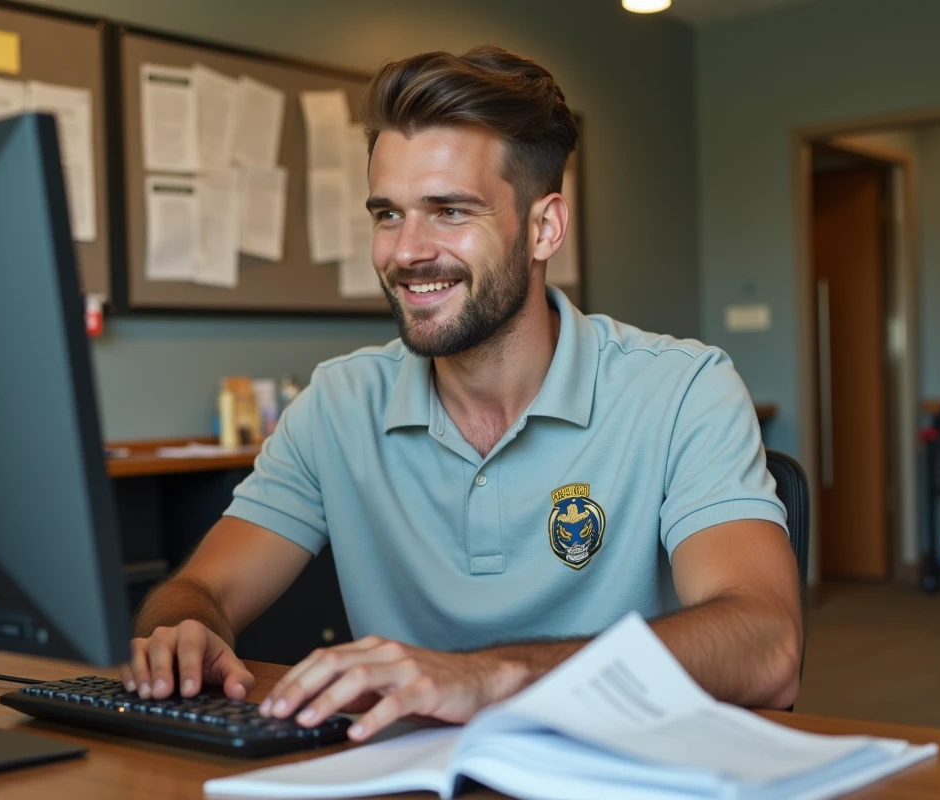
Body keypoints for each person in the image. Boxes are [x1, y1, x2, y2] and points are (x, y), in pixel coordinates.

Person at [120, 45, 803, 743]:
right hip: (409, 779)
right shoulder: (338, 403)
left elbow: (766, 644)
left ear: (544, 227)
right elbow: (199, 590)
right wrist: (185, 631)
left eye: (449, 211)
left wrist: (496, 676)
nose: (407, 251)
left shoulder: (683, 388)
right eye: (388, 214)